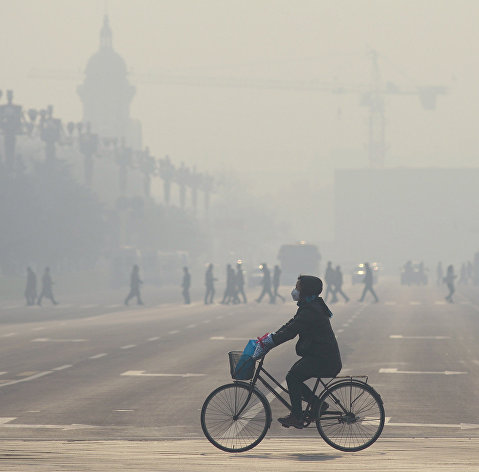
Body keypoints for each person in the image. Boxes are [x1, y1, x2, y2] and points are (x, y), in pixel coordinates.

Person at [252, 275, 342, 429]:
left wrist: (271, 343)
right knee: (294, 376)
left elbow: (291, 332)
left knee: (293, 377)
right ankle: (317, 404)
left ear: (305, 291)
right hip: (320, 356)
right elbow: (290, 325)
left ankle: (297, 416)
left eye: (298, 287)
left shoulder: (311, 310)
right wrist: (271, 337)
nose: (295, 290)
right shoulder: (309, 307)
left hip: (325, 359)